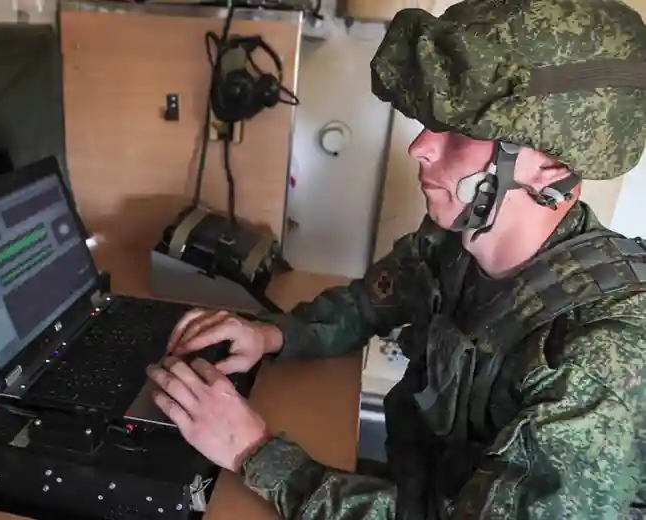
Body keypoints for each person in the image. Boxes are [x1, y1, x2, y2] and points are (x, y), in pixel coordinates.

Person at [145, 0, 646, 517]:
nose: (421, 148)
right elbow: (370, 301)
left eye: (461, 133)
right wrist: (273, 335)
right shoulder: (455, 241)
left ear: (550, 167)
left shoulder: (601, 358)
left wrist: (253, 452)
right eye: (433, 124)